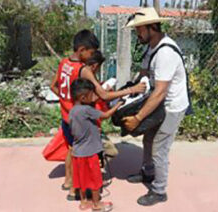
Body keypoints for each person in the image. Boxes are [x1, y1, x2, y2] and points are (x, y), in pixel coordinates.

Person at [50, 30, 146, 200]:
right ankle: (74, 190)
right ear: (81, 49)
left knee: (71, 150)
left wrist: (66, 101)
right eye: (91, 52)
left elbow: (53, 87)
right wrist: (132, 89)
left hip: (66, 117)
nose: (92, 56)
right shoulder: (83, 69)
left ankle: (67, 181)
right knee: (80, 154)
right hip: (80, 121)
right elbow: (104, 95)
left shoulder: (64, 63)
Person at [123, 7, 191, 206]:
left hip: (171, 106)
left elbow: (160, 91)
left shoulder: (165, 53)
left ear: (151, 27)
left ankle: (159, 190)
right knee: (148, 140)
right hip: (159, 103)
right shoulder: (151, 47)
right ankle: (148, 173)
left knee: (159, 149)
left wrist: (137, 117)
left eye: (139, 30)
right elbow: (144, 75)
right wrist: (130, 92)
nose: (137, 34)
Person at [69, 78, 123, 211]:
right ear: (83, 97)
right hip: (90, 152)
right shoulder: (87, 109)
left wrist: (93, 129)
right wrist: (117, 106)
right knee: (95, 180)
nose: (95, 97)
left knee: (81, 180)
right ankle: (97, 204)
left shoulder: (73, 111)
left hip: (77, 152)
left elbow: (77, 129)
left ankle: (83, 203)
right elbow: (105, 115)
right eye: (92, 94)